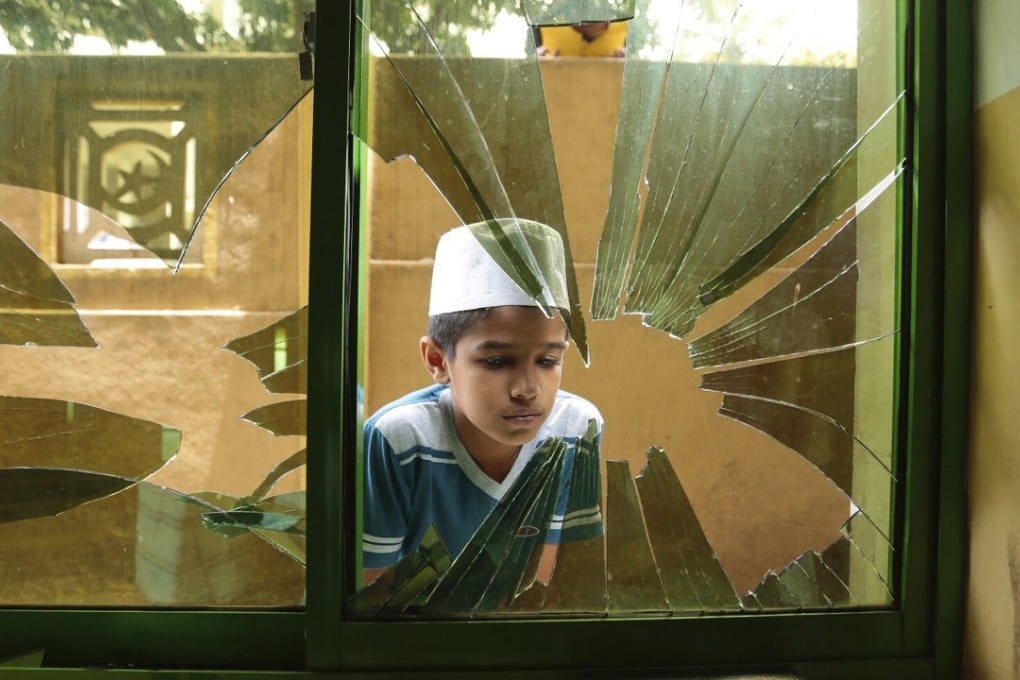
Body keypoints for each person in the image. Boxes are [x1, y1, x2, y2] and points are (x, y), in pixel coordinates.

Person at [361, 218, 603, 588]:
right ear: (438, 361)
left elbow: (554, 589)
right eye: (496, 362)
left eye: (547, 361)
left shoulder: (576, 431)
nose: (527, 388)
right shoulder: (399, 440)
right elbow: (372, 597)